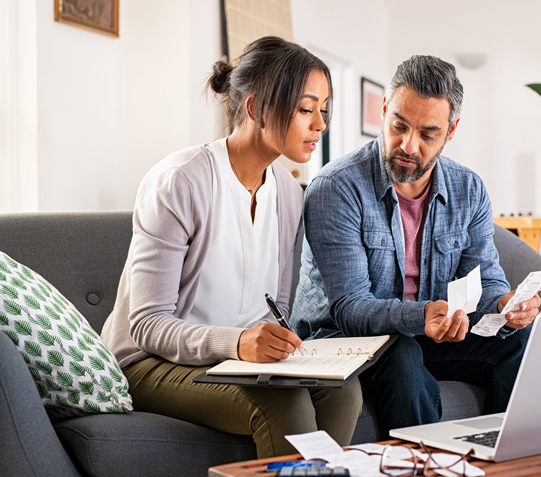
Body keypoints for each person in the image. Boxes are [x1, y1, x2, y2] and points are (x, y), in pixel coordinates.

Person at [101, 36, 362, 458]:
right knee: (285, 402)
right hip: (150, 363)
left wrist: (280, 346)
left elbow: (273, 306)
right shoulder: (180, 182)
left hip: (235, 362)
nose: (320, 125)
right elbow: (147, 325)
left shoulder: (291, 195)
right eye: (305, 109)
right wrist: (238, 343)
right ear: (256, 108)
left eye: (324, 110)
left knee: (344, 391)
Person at [291, 55, 541, 436]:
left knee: (520, 341)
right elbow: (349, 309)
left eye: (427, 135)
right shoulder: (337, 188)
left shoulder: (468, 189)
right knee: (403, 354)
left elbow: (487, 280)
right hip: (342, 339)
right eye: (399, 126)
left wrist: (505, 304)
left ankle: (502, 459)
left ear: (450, 131)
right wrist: (423, 316)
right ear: (385, 111)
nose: (408, 145)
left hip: (426, 331)